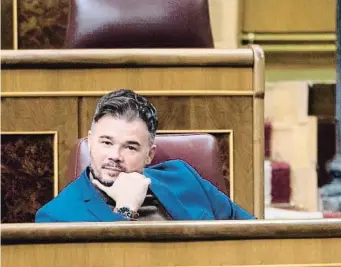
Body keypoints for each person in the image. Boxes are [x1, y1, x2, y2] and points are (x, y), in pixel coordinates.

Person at [36, 89, 255, 222]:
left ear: (149, 155)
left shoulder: (182, 176)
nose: (115, 155)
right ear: (91, 141)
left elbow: (251, 232)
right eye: (106, 142)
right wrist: (125, 210)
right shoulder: (57, 216)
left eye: (130, 147)